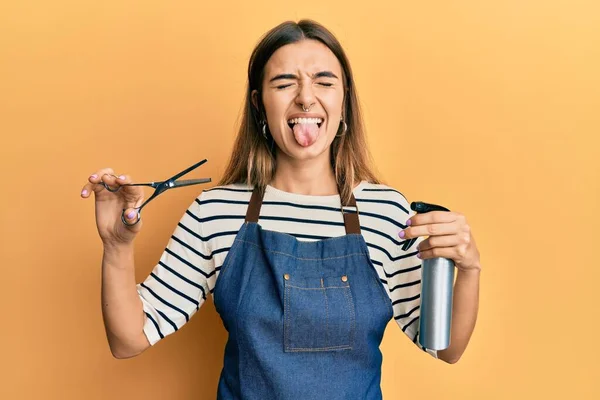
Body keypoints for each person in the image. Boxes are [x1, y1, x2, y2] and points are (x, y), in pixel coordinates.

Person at [81, 19, 481, 399]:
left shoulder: (385, 212)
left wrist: (469, 269)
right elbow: (128, 339)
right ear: (260, 104)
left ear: (344, 101)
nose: (306, 96)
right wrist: (117, 246)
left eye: (324, 81)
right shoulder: (216, 212)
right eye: (284, 83)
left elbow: (443, 347)